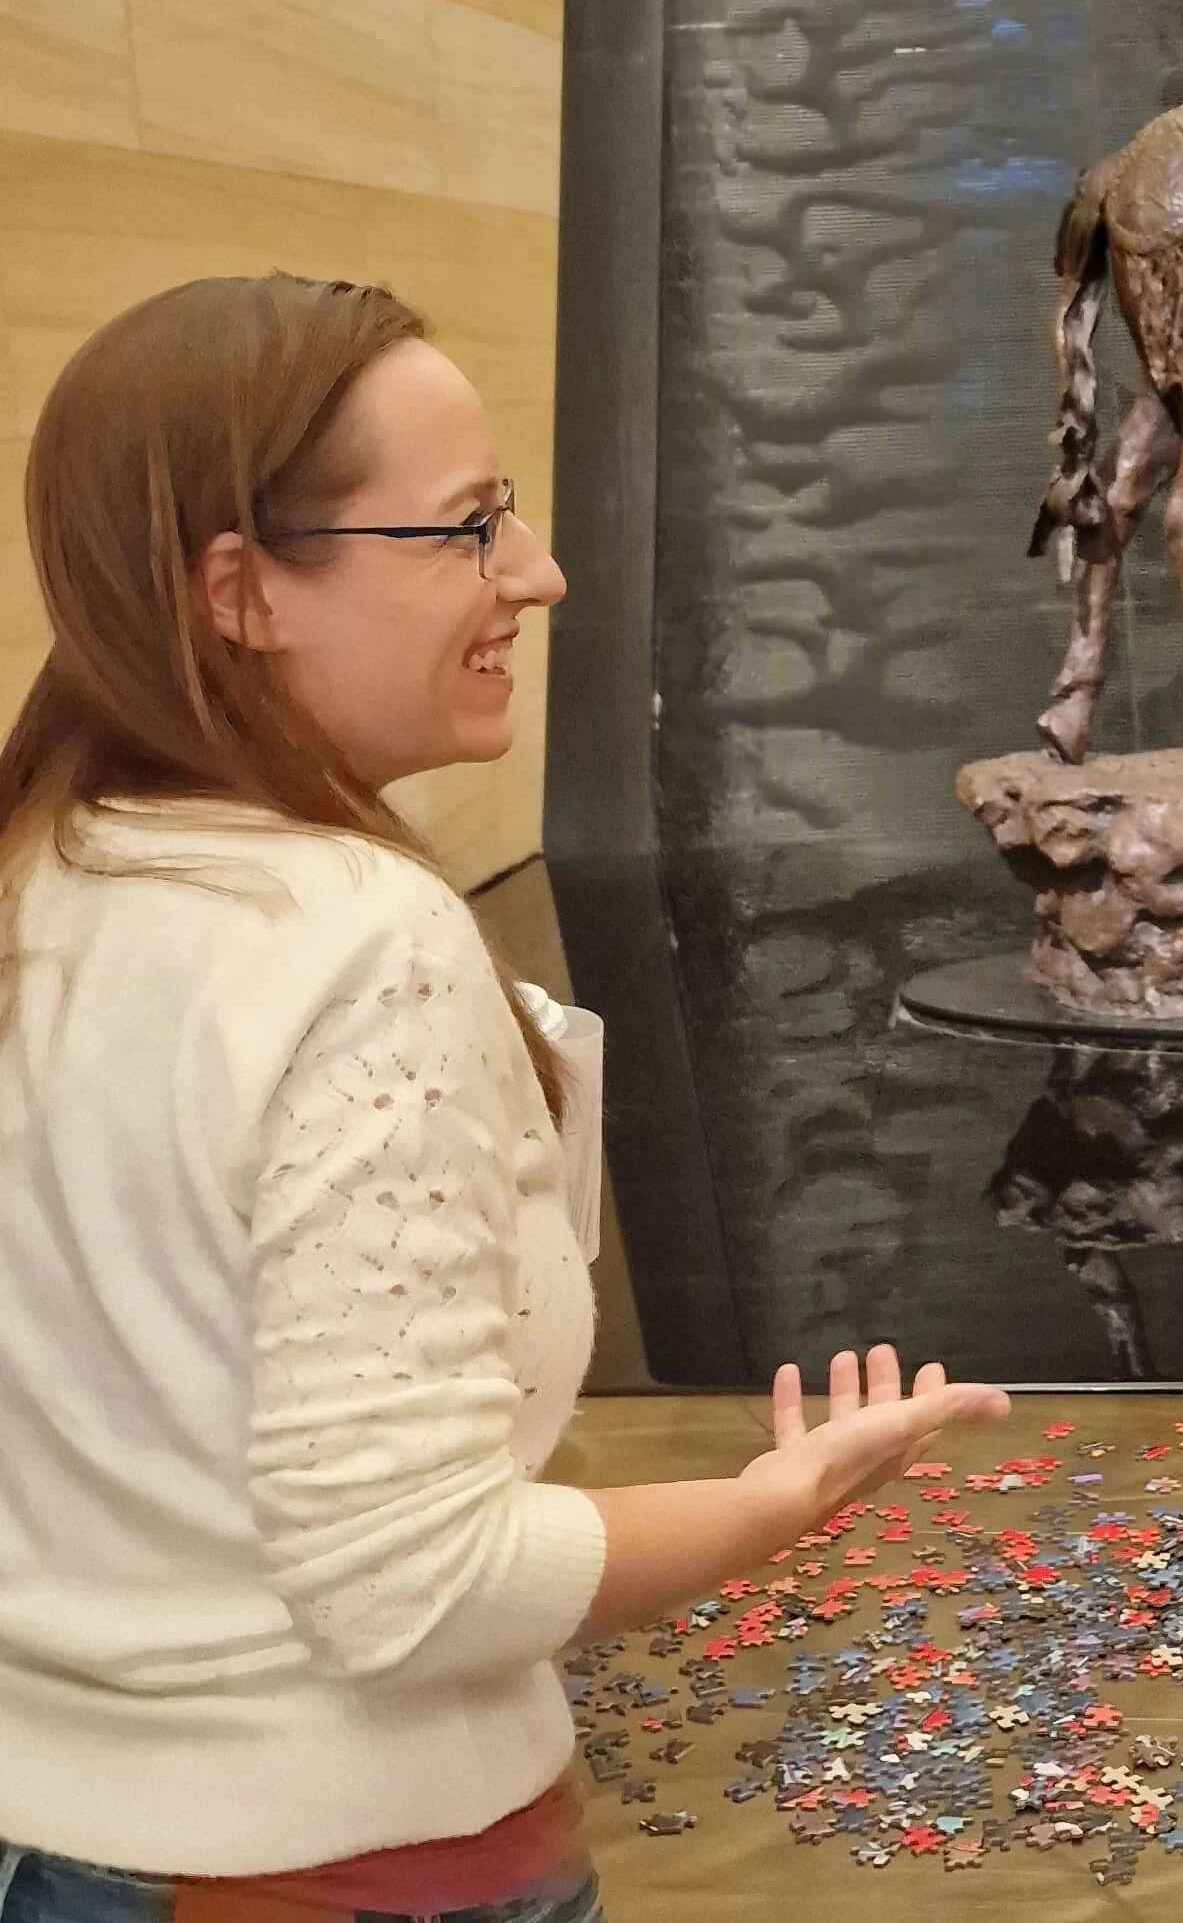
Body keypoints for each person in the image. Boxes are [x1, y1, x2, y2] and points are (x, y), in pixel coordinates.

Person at [0, 275, 1008, 1918]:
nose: (538, 574)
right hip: (336, 1872)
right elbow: (407, 1582)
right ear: (242, 588)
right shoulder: (353, 937)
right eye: (467, 528)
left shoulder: (46, 873)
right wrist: (770, 1506)